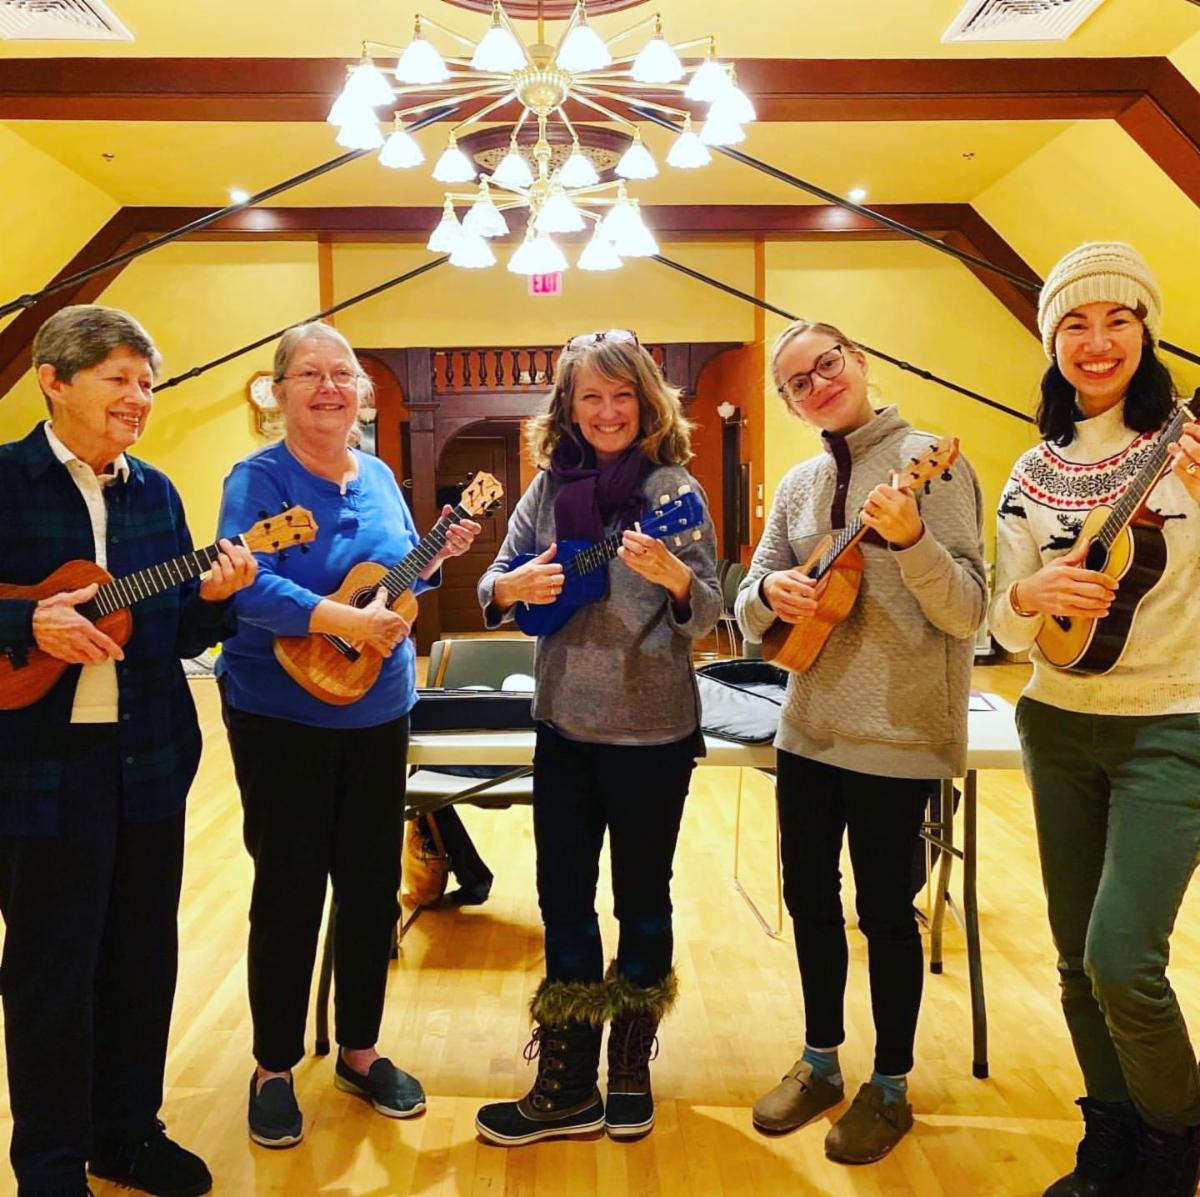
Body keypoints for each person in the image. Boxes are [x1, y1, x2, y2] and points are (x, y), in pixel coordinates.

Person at [0, 304, 257, 1197]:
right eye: (120, 380)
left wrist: (219, 596)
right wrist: (24, 619)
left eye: (147, 384)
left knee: (142, 954)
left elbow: (172, 628)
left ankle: (126, 1134)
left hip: (147, 754)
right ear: (55, 380)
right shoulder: (5, 480)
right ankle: (49, 1164)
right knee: (49, 966)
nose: (139, 399)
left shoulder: (155, 494)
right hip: (39, 768)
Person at [215, 321, 479, 1149]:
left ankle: (360, 1051)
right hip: (279, 713)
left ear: (361, 393)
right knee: (288, 888)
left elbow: (400, 579)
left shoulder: (382, 481)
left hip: (378, 710)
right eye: (311, 374)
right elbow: (242, 587)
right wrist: (337, 618)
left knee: (370, 887)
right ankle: (272, 1067)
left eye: (345, 375)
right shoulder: (255, 479)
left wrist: (439, 555)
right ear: (279, 390)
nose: (331, 387)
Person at [736, 318, 986, 1164]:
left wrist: (912, 540)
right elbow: (747, 607)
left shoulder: (934, 464)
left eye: (826, 366)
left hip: (899, 735)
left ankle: (890, 1083)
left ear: (861, 361)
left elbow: (968, 611)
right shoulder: (803, 482)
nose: (817, 386)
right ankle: (819, 1058)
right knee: (808, 898)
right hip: (807, 729)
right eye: (797, 382)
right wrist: (770, 587)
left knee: (884, 913)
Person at [473, 330, 720, 1146]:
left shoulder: (673, 489)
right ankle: (568, 1079)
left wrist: (678, 579)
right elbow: (493, 578)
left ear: (647, 402)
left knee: (643, 903)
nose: (608, 411)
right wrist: (511, 584)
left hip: (652, 731)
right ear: (569, 407)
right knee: (563, 902)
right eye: (591, 397)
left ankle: (629, 1067)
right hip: (563, 728)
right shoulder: (548, 487)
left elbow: (713, 609)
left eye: (622, 396)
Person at [989, 242, 1200, 1197]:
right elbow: (998, 617)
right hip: (1058, 722)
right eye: (1075, 321)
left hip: (1174, 724)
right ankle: (1110, 1132)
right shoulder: (1033, 468)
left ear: (1148, 329)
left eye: (1118, 318)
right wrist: (1028, 591)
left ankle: (1174, 1140)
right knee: (1074, 960)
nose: (1097, 339)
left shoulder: (1189, 450)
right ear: (1050, 341)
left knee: (1124, 959)